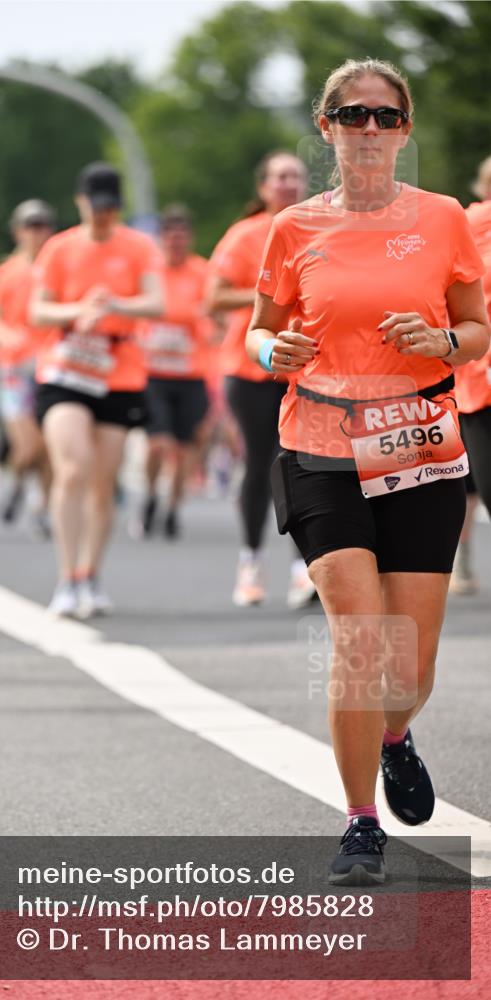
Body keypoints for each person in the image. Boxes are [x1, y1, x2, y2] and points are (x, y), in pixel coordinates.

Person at [246, 59, 489, 884]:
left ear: (405, 129)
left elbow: (475, 328)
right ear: (326, 127)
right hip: (318, 440)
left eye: (385, 117)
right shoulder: (294, 228)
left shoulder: (443, 217)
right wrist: (269, 350)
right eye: (352, 115)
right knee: (356, 639)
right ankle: (358, 824)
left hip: (417, 441)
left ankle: (395, 736)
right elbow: (257, 332)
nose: (369, 130)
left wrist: (445, 346)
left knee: (407, 665)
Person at [30, 162, 163, 618]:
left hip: (119, 369)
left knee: (103, 484)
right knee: (73, 468)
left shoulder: (140, 246)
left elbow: (156, 302)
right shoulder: (59, 248)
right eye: (96, 207)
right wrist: (76, 311)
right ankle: (66, 578)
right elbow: (38, 310)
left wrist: (115, 305)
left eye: (111, 208)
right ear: (81, 203)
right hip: (67, 368)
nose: (104, 216)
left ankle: (90, 573)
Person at [208, 152, 315, 607]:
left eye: (295, 176)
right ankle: (250, 561)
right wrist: (267, 295)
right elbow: (213, 297)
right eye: (280, 177)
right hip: (250, 367)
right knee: (260, 463)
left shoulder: (320, 226)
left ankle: (302, 569)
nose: (288, 184)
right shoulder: (246, 234)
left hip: (306, 366)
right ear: (264, 185)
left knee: (303, 463)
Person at [138, 205, 211, 539]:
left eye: (182, 238)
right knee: (157, 445)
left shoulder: (202, 272)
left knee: (182, 450)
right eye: (170, 238)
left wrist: (209, 324)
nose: (176, 244)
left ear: (189, 240)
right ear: (162, 239)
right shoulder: (149, 273)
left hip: (191, 375)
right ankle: (150, 494)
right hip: (153, 373)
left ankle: (172, 508)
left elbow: (215, 315)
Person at [0, 200, 56, 526]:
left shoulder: (58, 268)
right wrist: (6, 338)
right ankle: (15, 482)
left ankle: (42, 507)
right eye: (30, 226)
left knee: (48, 447)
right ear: (17, 231)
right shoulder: (6, 273)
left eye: (42, 225)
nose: (37, 233)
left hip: (50, 366)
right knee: (28, 445)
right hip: (14, 369)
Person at [450, 156, 491, 594]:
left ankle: (460, 562)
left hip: (470, 373)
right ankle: (460, 559)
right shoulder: (468, 223)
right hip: (475, 375)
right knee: (468, 478)